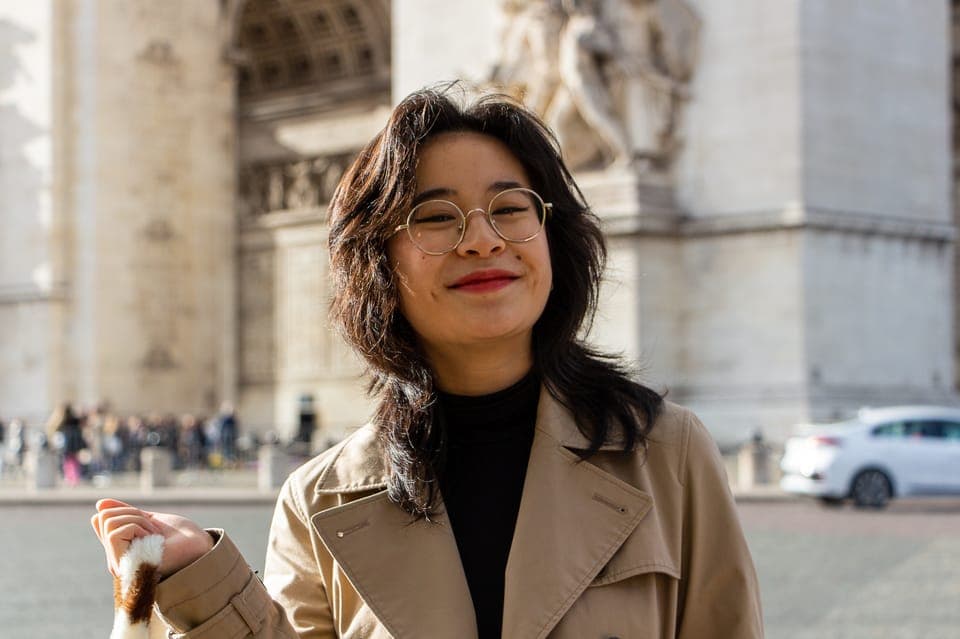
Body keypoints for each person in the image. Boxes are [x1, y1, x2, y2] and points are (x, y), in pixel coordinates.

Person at [91, 86, 763, 638]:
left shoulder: (670, 454)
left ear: (552, 240)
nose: (482, 239)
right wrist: (200, 579)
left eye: (510, 207)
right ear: (377, 267)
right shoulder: (316, 499)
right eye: (436, 217)